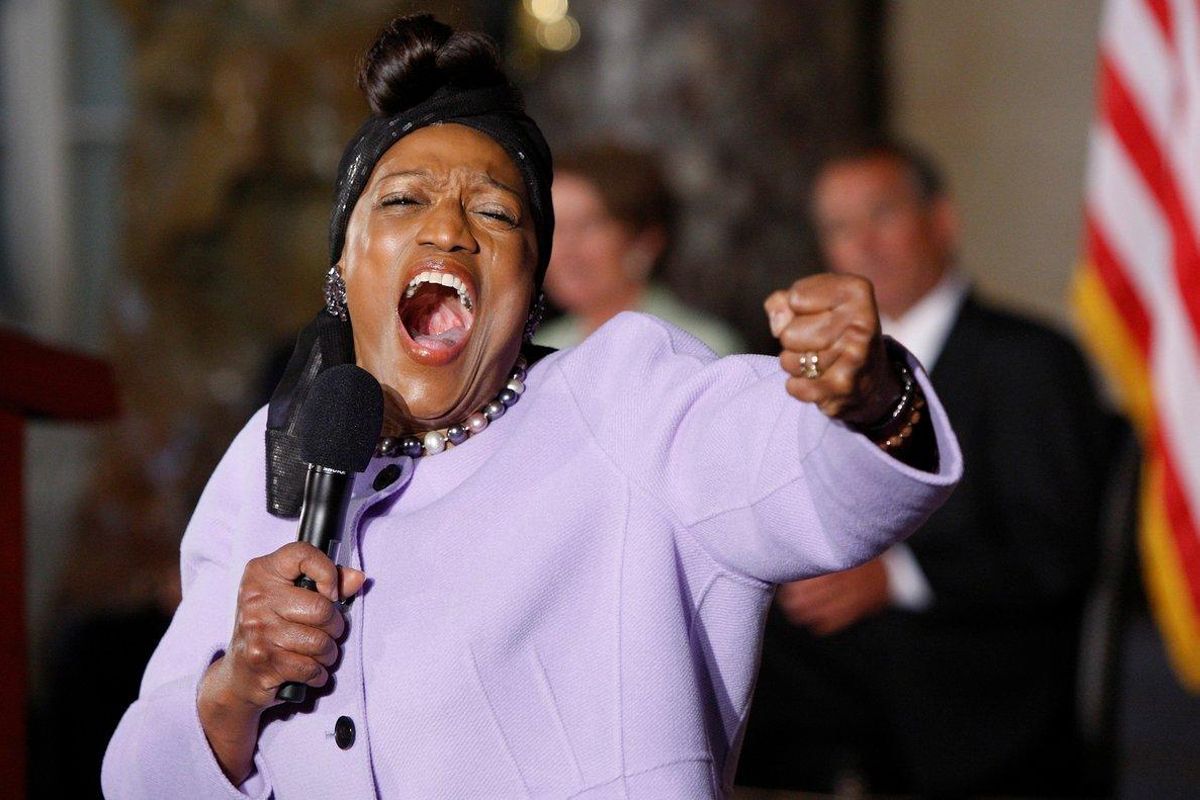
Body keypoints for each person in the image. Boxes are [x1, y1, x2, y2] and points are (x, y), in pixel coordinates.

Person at [102, 18, 961, 799]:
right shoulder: (270, 458)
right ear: (343, 269)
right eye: (403, 200)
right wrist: (235, 687)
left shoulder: (622, 399)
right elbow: (137, 779)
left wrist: (868, 392)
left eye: (495, 212)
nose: (449, 231)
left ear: (529, 293)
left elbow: (802, 480)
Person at [737, 138, 1111, 797]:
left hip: (976, 681)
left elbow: (1053, 552)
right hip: (824, 673)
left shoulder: (1030, 360)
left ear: (942, 221)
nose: (863, 244)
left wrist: (898, 578)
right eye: (839, 227)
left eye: (883, 214)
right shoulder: (809, 367)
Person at [536, 142, 744, 355]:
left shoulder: (700, 346)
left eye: (587, 225)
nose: (565, 249)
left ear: (645, 240)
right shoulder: (542, 350)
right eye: (553, 227)